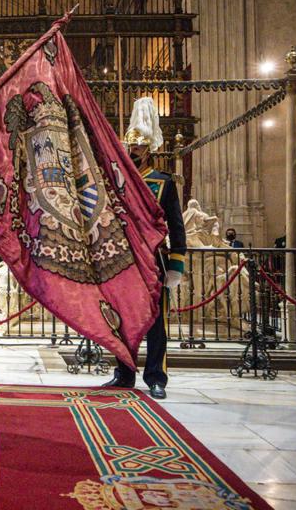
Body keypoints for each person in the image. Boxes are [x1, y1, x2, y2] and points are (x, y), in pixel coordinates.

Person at [102, 96, 185, 400]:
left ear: (148, 148)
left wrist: (176, 264)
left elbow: (176, 226)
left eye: (138, 146)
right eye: (130, 146)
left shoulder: (164, 183)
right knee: (122, 322)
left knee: (155, 324)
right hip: (122, 261)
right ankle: (123, 374)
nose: (133, 151)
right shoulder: (118, 181)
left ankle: (156, 377)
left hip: (153, 261)